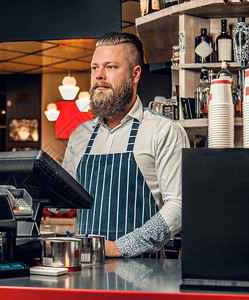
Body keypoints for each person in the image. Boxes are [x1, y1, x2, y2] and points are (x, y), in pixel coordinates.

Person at [62, 32, 189, 258]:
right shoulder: (80, 135)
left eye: (110, 67)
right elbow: (61, 202)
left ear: (135, 73)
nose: (99, 76)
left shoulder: (164, 131)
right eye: (94, 68)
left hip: (144, 274)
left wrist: (121, 248)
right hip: (86, 272)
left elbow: (179, 207)